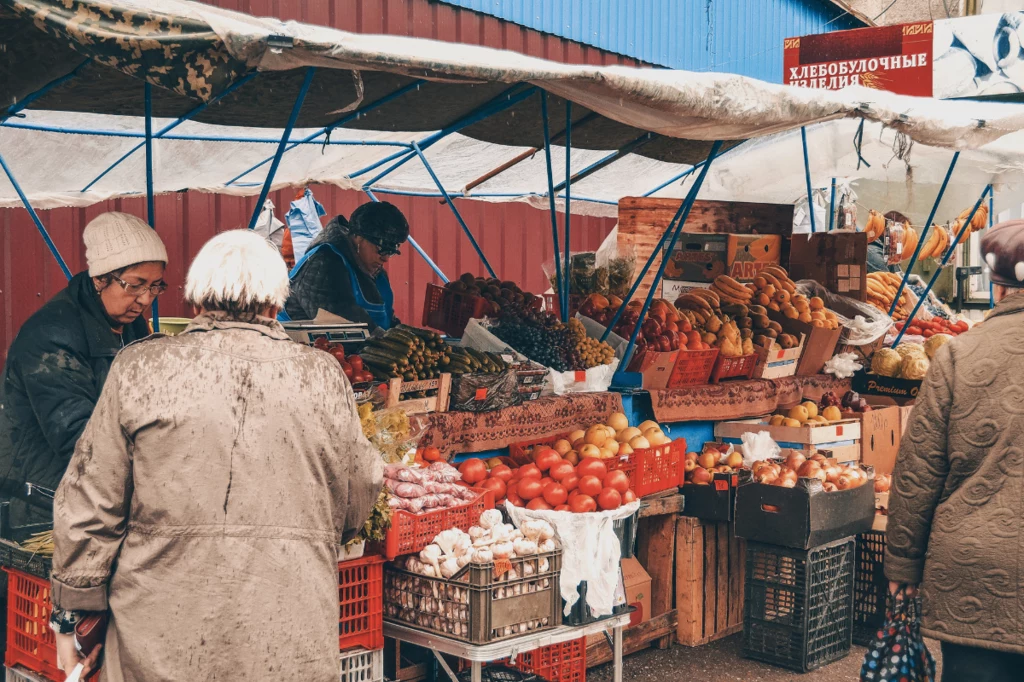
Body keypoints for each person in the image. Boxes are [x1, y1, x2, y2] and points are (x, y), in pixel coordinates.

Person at [48, 230, 383, 682]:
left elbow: (89, 502)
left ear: (197, 300)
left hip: (160, 636)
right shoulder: (321, 376)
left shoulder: (140, 367)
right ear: (274, 303)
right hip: (287, 629)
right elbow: (360, 493)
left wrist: (72, 617)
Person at [885, 219, 1024, 681]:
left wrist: (903, 564)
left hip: (974, 574)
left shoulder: (960, 355)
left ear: (997, 286)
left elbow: (918, 471)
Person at [0, 212, 167, 526]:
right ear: (100, 278)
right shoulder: (50, 337)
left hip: (97, 492)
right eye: (135, 285)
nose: (145, 299)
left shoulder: (128, 325)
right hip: (42, 500)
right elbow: (80, 439)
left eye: (155, 287)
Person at [283, 201, 409, 330]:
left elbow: (387, 319)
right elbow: (345, 325)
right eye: (381, 249)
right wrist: (386, 340)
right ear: (358, 237)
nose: (385, 258)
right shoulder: (323, 264)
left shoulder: (376, 272)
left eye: (391, 252)